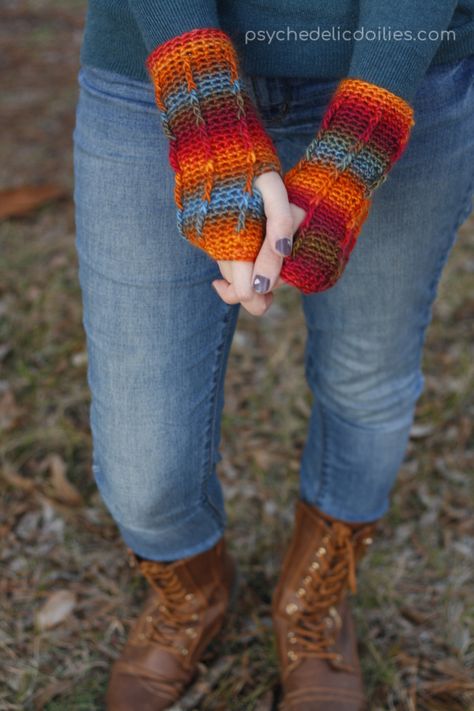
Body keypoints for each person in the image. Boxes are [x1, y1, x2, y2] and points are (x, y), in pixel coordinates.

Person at [73, 1, 474, 708]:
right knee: (142, 454)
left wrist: (360, 139)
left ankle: (315, 598)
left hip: (400, 64)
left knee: (367, 375)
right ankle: (192, 588)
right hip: (152, 61)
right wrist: (206, 109)